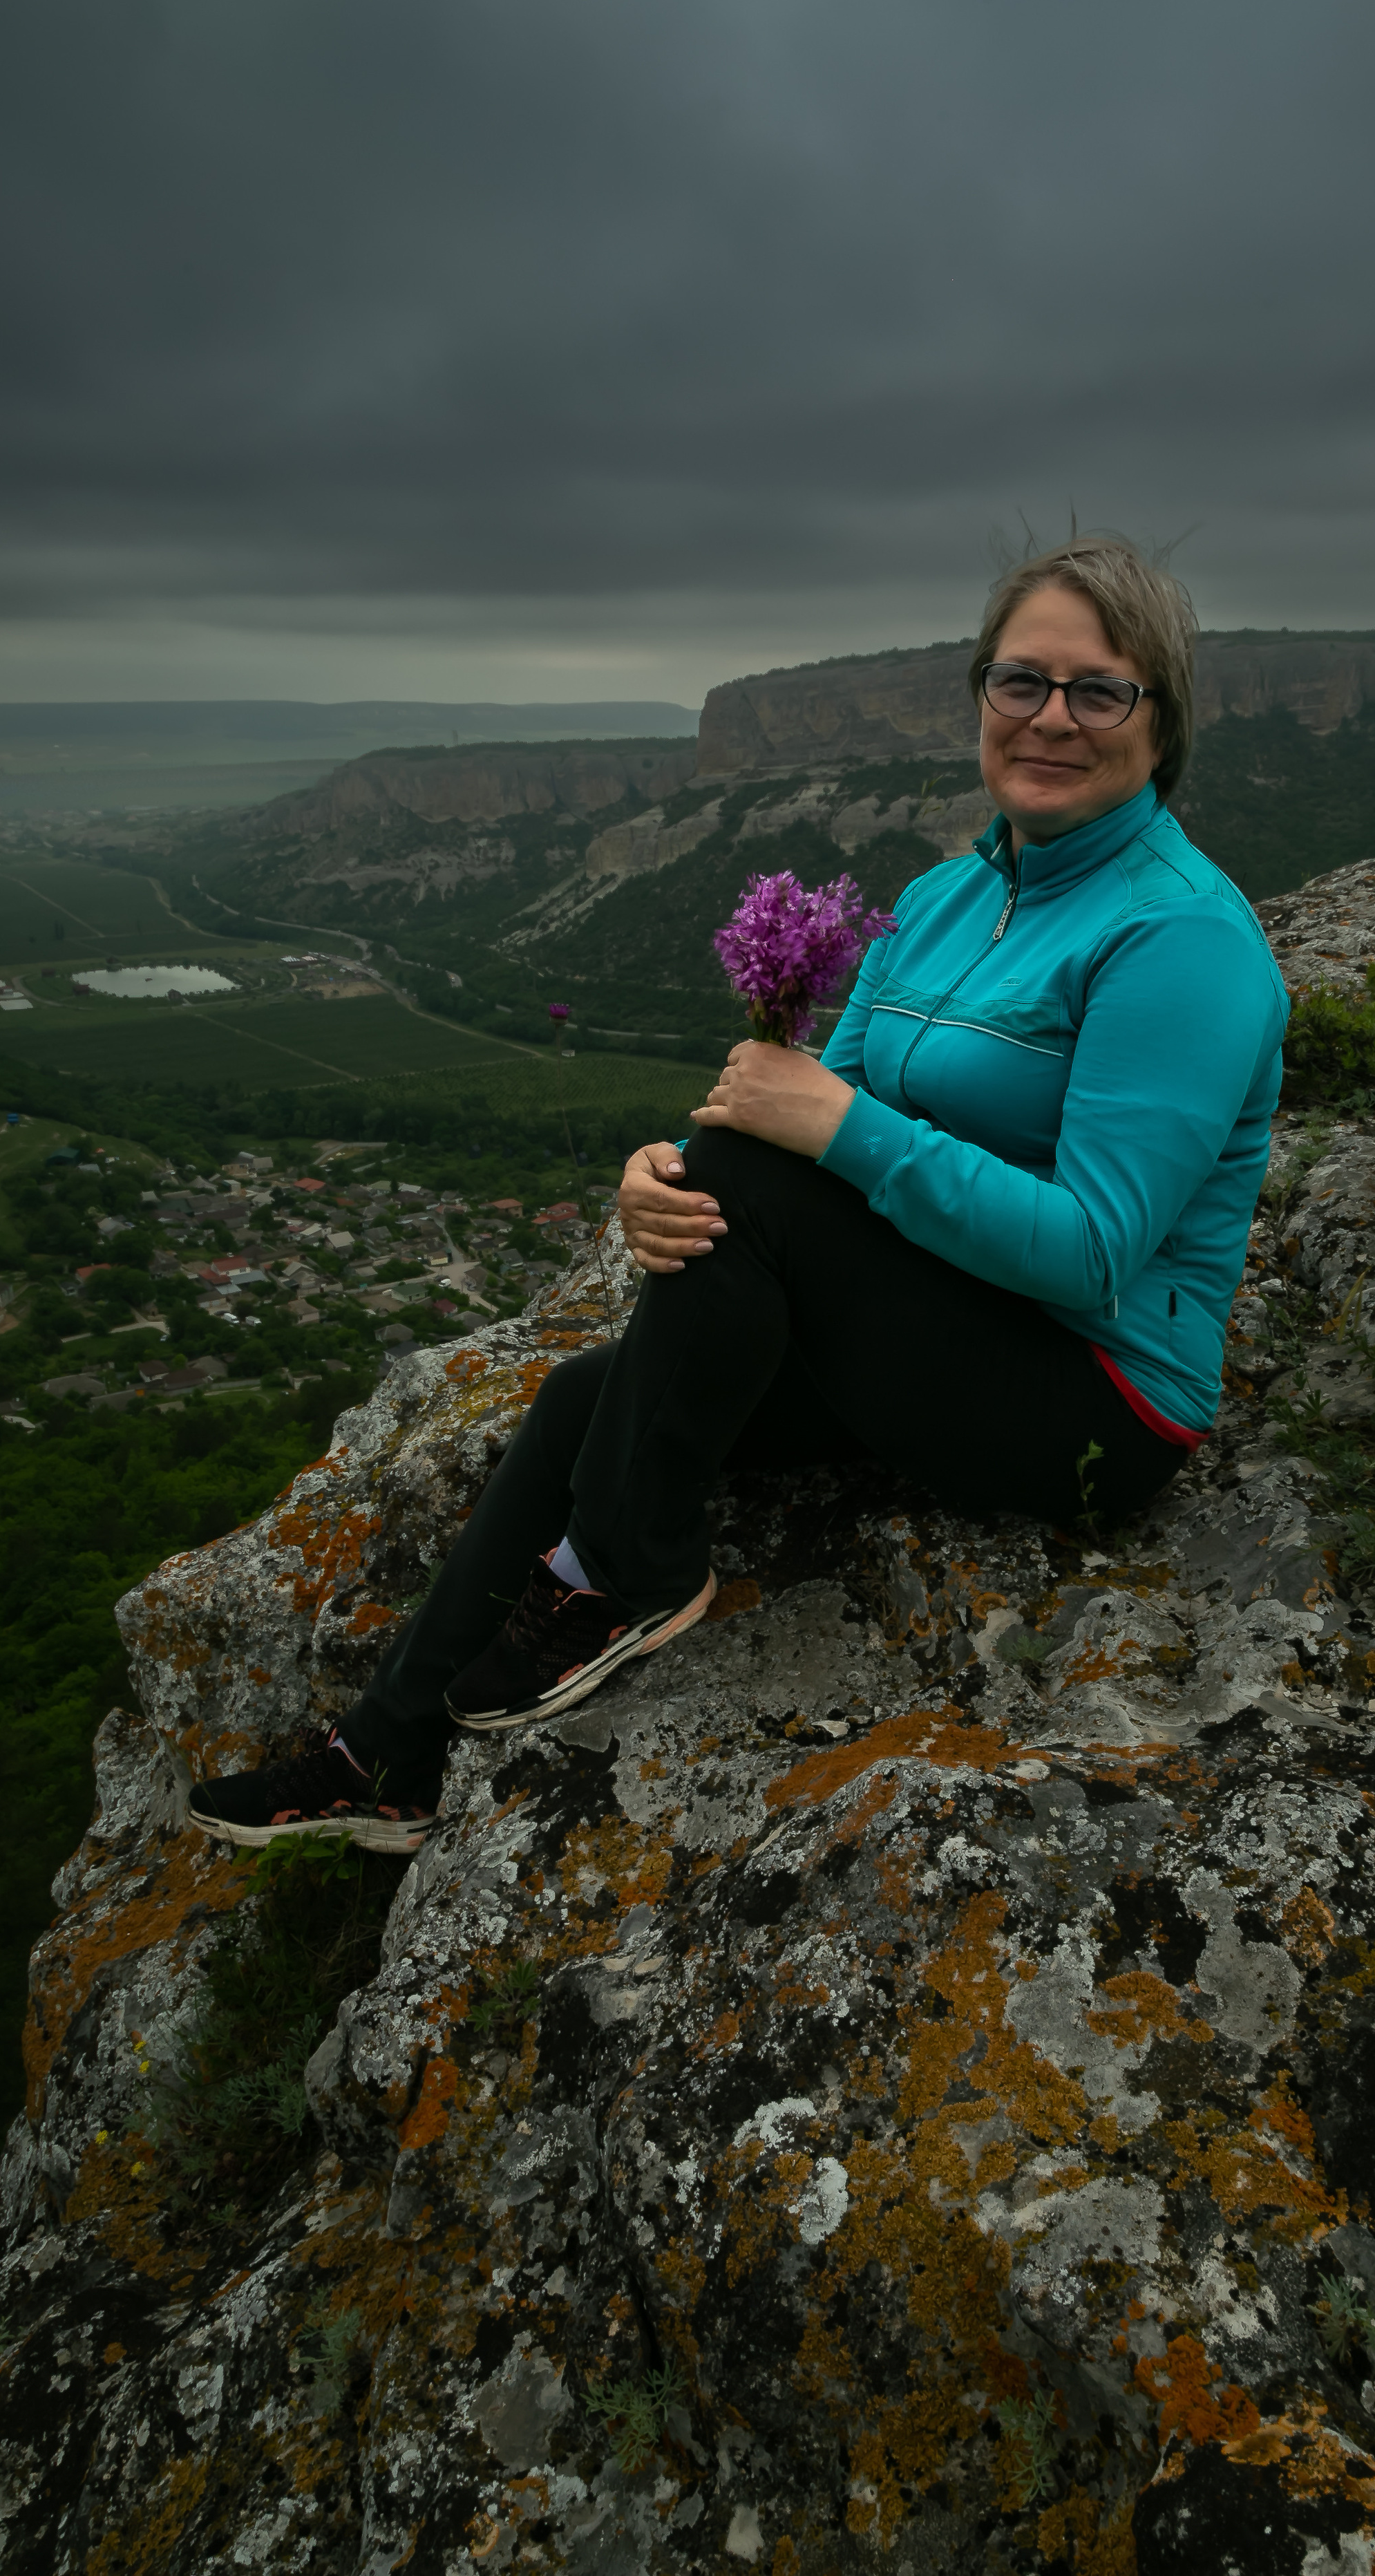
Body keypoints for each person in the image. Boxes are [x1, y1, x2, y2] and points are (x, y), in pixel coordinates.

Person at [188, 536, 1289, 1853]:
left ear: (1160, 723)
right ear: (979, 698)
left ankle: (628, 1572)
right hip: (948, 1327)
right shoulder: (945, 899)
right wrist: (662, 1181)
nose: (1052, 718)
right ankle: (387, 1754)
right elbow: (808, 1115)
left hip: (1089, 1400)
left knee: (765, 1162)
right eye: (1020, 682)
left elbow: (1094, 1253)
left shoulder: (1180, 939)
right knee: (584, 1393)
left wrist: (819, 1133)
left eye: (1098, 691)